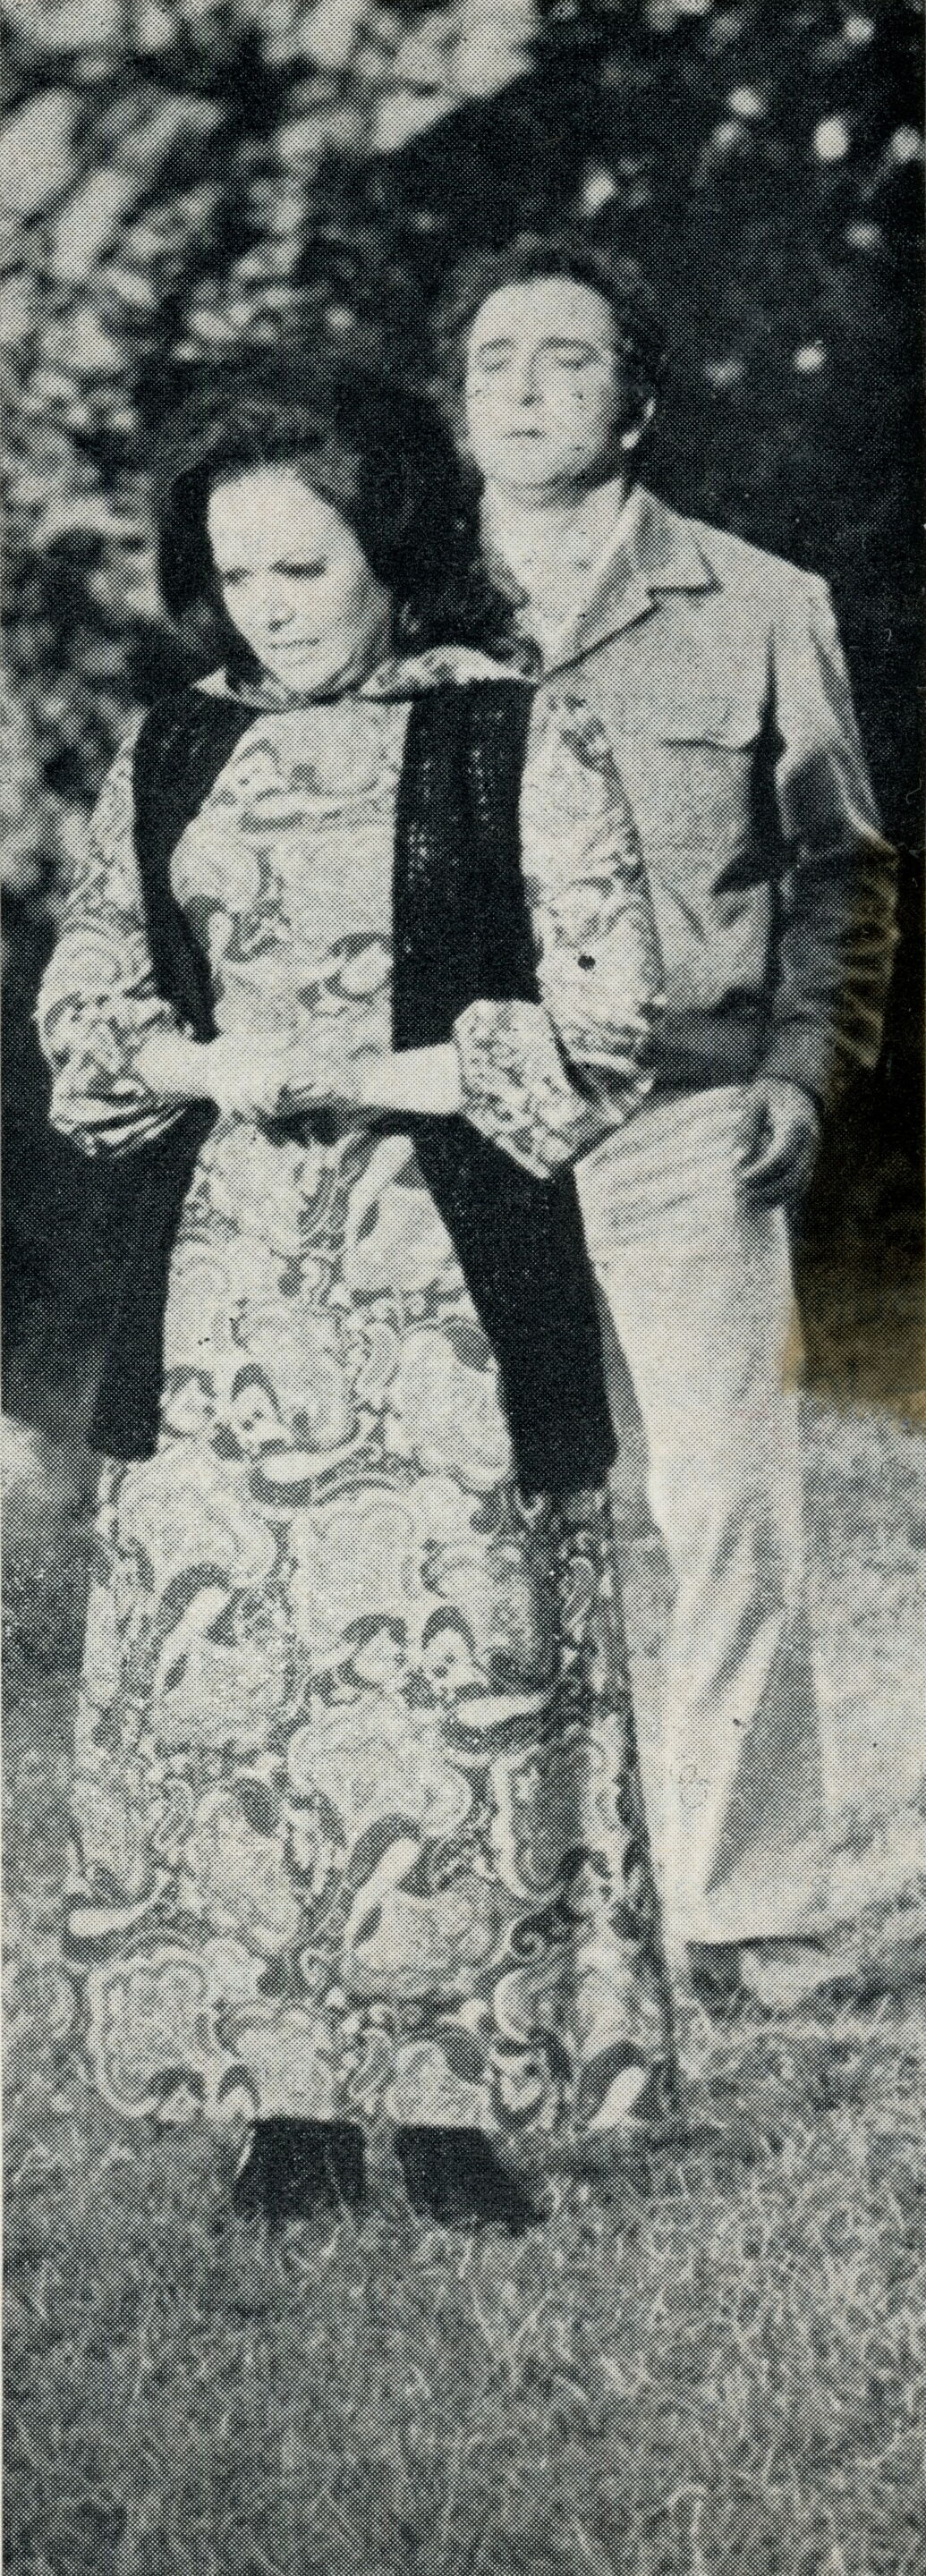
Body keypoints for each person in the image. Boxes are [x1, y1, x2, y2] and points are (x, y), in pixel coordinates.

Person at [37, 360, 676, 2231]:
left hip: (442, 1282)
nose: (268, 608)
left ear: (392, 546)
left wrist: (371, 1072)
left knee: (460, 1670)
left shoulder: (517, 733)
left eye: (301, 568)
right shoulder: (171, 750)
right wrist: (208, 1063)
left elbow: (608, 1020)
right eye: (235, 576)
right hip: (224, 1287)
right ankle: (287, 2112)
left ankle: (458, 2110)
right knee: (238, 1685)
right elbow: (88, 1001)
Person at [437, 231, 899, 1989]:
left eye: (566, 358)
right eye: (492, 361)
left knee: (727, 1517)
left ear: (635, 406)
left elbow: (838, 874)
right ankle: (488, 1912)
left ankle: (747, 1911)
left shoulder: (760, 605)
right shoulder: (393, 612)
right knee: (465, 1514)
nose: (524, 389)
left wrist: (798, 1068)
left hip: (690, 1116)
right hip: (453, 1130)